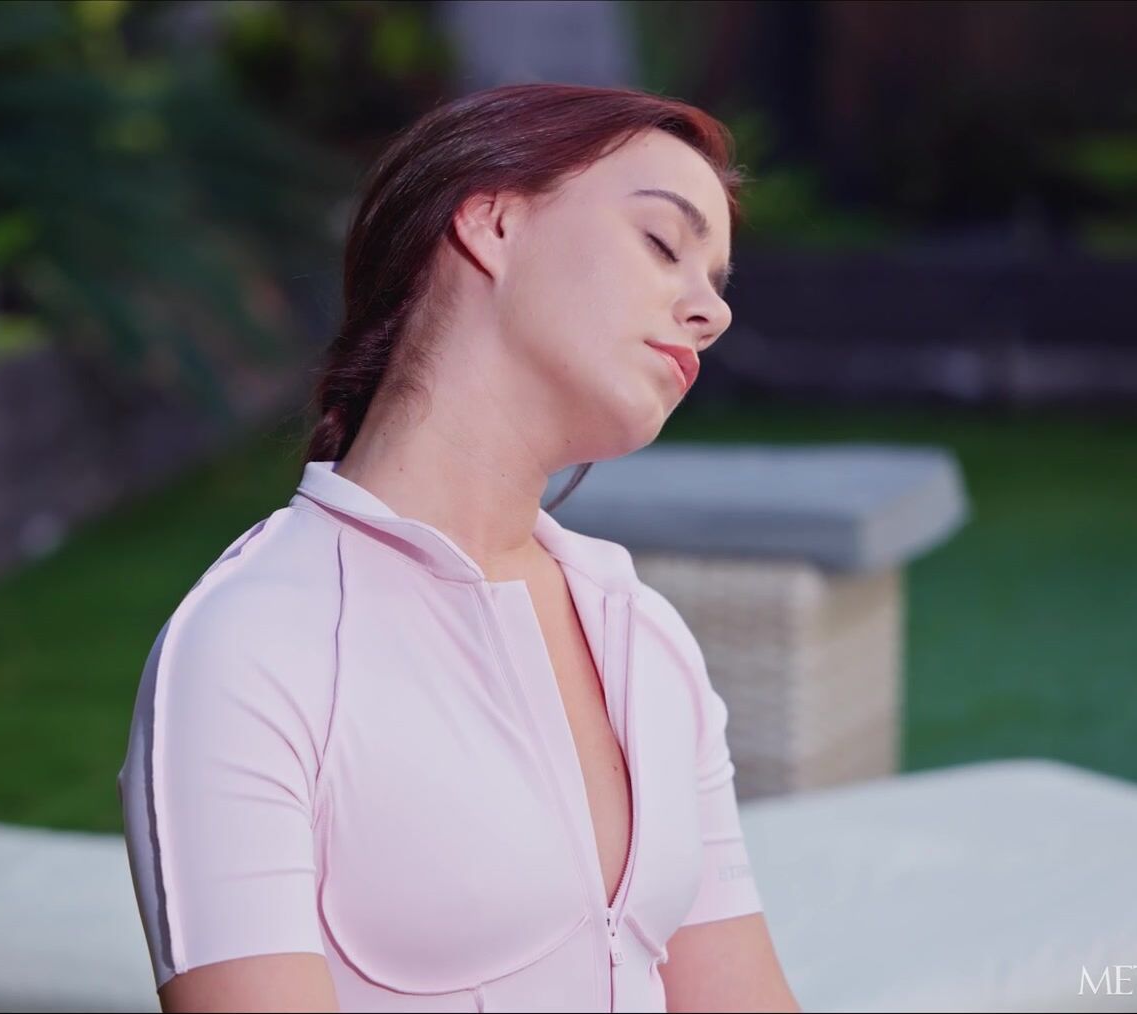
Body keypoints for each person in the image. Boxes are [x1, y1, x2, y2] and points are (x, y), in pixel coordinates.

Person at [117, 82, 802, 1013]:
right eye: (660, 243)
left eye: (717, 284)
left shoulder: (648, 641)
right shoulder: (252, 648)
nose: (711, 314)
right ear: (491, 224)